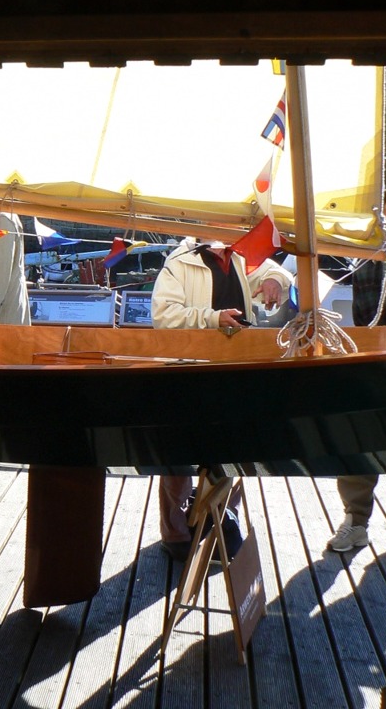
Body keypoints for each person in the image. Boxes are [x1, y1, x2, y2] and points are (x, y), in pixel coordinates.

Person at [150, 236, 293, 561]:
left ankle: (220, 523)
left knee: (230, 449)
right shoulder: (180, 261)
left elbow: (275, 273)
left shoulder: (240, 254)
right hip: (188, 370)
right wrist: (212, 318)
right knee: (179, 456)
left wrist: (274, 280)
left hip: (234, 370)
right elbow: (163, 316)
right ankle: (176, 534)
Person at [329, 188, 386, 561]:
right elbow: (323, 258)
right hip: (367, 362)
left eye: (381, 218)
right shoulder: (364, 255)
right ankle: (355, 521)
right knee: (357, 443)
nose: (374, 225)